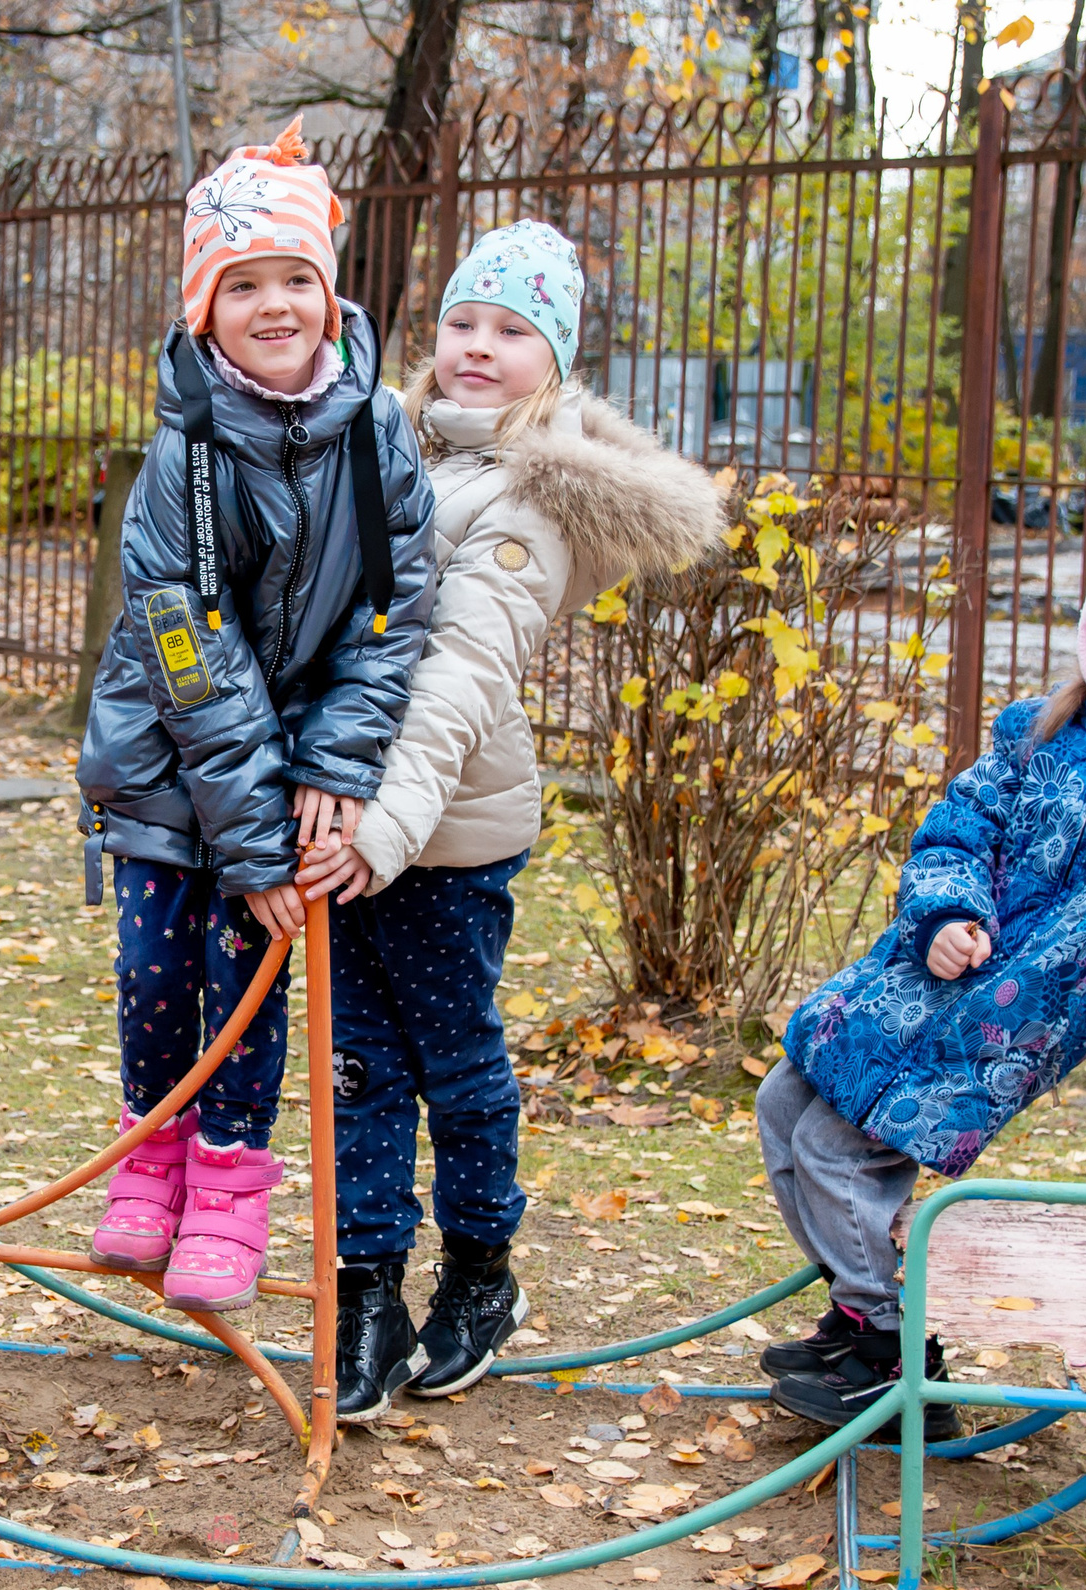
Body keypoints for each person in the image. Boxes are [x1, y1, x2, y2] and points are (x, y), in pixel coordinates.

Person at [293, 220, 727, 1417]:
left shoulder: (528, 498)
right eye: (463, 322)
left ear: (556, 358)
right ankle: (367, 1286)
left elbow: (455, 681)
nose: (478, 347)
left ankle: (480, 1275)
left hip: (441, 833)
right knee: (353, 1066)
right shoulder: (401, 445)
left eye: (513, 330)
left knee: (454, 1060)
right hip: (345, 821)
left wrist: (382, 831)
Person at [764, 489, 1086, 1436]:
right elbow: (954, 832)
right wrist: (946, 910)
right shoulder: (1040, 728)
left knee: (837, 1148)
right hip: (931, 971)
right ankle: (858, 1314)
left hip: (1027, 1007)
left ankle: (894, 1351)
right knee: (783, 1106)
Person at [77, 116, 437, 1315]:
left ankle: (229, 1191)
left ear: (330, 297)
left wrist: (331, 768)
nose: (273, 305)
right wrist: (254, 835)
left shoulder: (378, 435)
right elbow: (189, 647)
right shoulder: (182, 449)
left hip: (281, 784)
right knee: (152, 971)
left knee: (248, 982)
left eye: (296, 279)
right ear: (204, 309)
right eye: (243, 285)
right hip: (170, 766)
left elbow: (392, 615)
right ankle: (149, 1169)